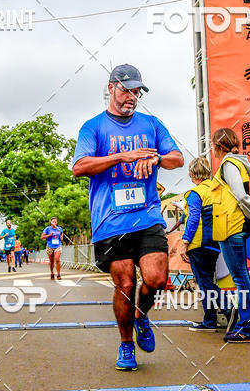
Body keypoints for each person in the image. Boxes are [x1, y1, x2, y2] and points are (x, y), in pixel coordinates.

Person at [72, 64, 183, 371]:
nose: (131, 97)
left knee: (157, 279)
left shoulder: (151, 124)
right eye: (126, 90)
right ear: (111, 88)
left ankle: (140, 315)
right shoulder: (93, 128)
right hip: (111, 220)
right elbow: (79, 167)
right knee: (125, 283)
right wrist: (122, 156)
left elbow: (178, 158)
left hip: (147, 216)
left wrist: (156, 157)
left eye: (136, 91)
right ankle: (125, 345)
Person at [211, 127, 250, 344]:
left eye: (212, 146)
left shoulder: (229, 164)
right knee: (242, 277)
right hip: (232, 226)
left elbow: (241, 195)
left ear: (218, 147)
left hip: (232, 226)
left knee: (241, 278)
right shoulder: (237, 163)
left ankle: (247, 328)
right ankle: (248, 324)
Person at [180, 157, 222, 330]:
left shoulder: (194, 193)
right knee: (209, 281)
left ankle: (226, 311)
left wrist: (185, 242)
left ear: (192, 174)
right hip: (217, 242)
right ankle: (212, 318)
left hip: (199, 243)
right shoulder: (217, 189)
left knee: (205, 283)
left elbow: (193, 218)